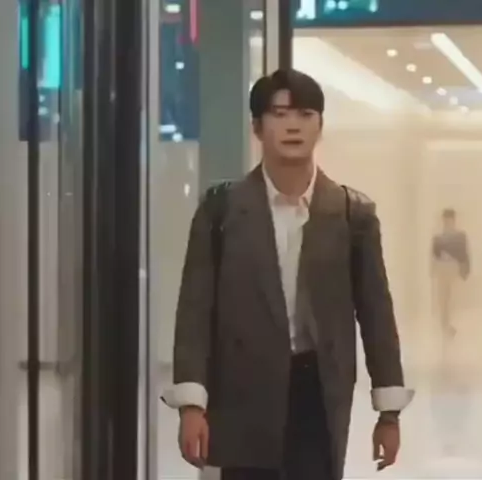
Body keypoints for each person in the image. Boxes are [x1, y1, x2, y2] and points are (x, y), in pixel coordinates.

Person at [163, 69, 413, 480]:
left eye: (305, 114)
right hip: (242, 390)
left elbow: (376, 315)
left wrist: (389, 413)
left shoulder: (351, 213)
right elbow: (195, 311)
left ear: (320, 125)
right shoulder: (221, 210)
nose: (293, 125)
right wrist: (192, 405)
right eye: (279, 114)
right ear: (257, 127)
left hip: (318, 391)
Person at [431, 208, 470, 338]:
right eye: (446, 220)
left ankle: (451, 326)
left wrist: (465, 271)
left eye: (449, 220)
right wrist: (434, 271)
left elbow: (464, 255)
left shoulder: (460, 237)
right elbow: (434, 257)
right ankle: (446, 327)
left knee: (453, 300)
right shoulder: (438, 238)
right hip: (443, 273)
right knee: (443, 301)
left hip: (454, 272)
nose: (447, 223)